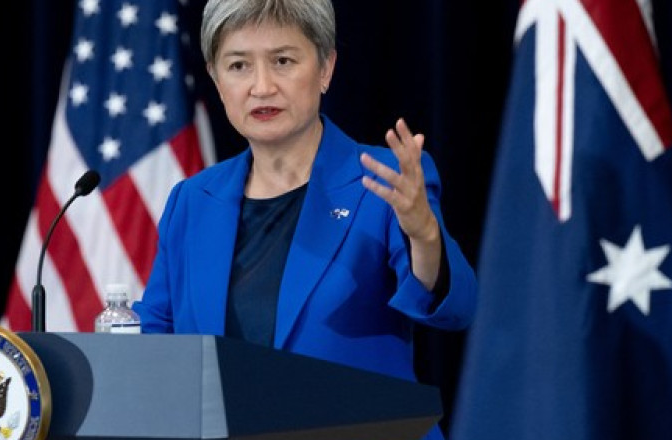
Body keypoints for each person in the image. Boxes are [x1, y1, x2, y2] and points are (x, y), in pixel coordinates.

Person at [132, 0, 478, 438]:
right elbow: (156, 334)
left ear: (325, 68)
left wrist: (424, 235)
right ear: (217, 81)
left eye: (282, 61)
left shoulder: (383, 180)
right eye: (238, 66)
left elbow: (456, 310)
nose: (261, 86)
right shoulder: (192, 201)